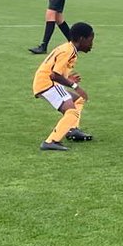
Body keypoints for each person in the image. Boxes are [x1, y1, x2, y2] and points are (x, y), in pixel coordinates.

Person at [33, 21, 95, 151]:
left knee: (78, 100)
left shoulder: (68, 48)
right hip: (47, 83)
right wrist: (75, 86)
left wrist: (67, 79)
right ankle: (50, 141)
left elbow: (57, 72)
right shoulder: (68, 51)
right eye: (90, 40)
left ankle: (72, 129)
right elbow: (54, 75)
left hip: (48, 81)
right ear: (82, 39)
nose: (91, 44)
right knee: (71, 111)